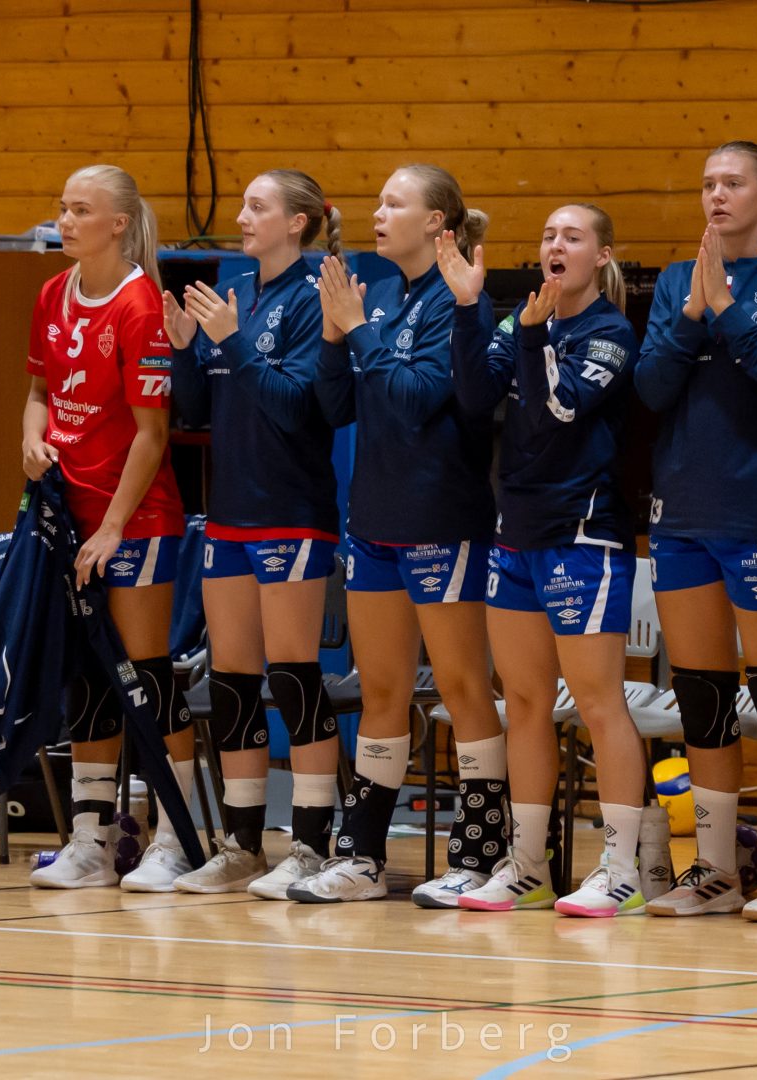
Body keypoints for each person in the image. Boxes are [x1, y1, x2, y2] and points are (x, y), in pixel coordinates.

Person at [284, 164, 506, 905]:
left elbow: (416, 399)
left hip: (441, 519)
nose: (378, 213)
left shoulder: (459, 300)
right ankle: (363, 857)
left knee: (462, 687)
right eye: (377, 200)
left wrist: (358, 332)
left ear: (438, 222)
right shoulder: (380, 295)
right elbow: (336, 406)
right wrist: (332, 333)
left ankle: (479, 855)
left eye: (394, 202)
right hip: (374, 521)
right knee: (381, 689)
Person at [631, 142, 757, 920]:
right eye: (708, 184)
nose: (716, 195)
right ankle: (714, 868)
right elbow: (651, 387)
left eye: (733, 183)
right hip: (683, 514)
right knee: (702, 696)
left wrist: (728, 314)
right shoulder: (677, 279)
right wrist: (691, 314)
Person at [442, 204, 648, 917]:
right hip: (517, 533)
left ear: (602, 255)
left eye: (573, 236)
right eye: (548, 235)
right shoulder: (522, 321)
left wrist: (531, 338)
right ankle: (528, 866)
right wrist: (468, 307)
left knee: (597, 702)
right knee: (525, 702)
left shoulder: (609, 333)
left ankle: (621, 869)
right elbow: (474, 397)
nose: (555, 245)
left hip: (582, 535)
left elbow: (559, 408)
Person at [164, 170, 345, 897]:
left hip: (291, 510)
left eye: (256, 207)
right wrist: (186, 349)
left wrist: (232, 341)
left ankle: (309, 845)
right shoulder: (236, 292)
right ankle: (241, 846)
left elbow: (297, 407)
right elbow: (195, 411)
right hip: (229, 512)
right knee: (232, 680)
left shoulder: (311, 297)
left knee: (293, 676)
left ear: (297, 222)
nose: (240, 217)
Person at [22, 164, 202, 892]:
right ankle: (92, 840)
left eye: (80, 210)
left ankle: (177, 836)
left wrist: (114, 527)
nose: (64, 221)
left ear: (118, 223)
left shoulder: (138, 305)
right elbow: (38, 391)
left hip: (134, 520)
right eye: (61, 207)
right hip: (69, 516)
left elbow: (152, 434)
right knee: (87, 677)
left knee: (145, 673)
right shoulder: (51, 294)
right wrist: (31, 439)